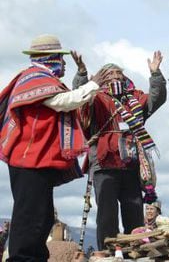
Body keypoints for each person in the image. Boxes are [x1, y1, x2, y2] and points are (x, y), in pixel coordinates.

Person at [0, 34, 106, 261]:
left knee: (43, 216)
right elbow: (64, 101)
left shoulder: (41, 79)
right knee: (30, 216)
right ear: (51, 57)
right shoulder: (35, 78)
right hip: (30, 160)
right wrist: (94, 84)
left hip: (37, 160)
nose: (64, 63)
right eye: (61, 57)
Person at [72, 51, 166, 250]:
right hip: (104, 163)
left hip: (130, 163)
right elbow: (79, 98)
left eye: (118, 73)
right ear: (102, 77)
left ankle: (136, 251)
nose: (115, 76)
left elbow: (156, 100)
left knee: (133, 210)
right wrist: (82, 74)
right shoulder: (96, 97)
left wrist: (156, 75)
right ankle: (107, 252)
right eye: (110, 73)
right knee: (107, 213)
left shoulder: (135, 98)